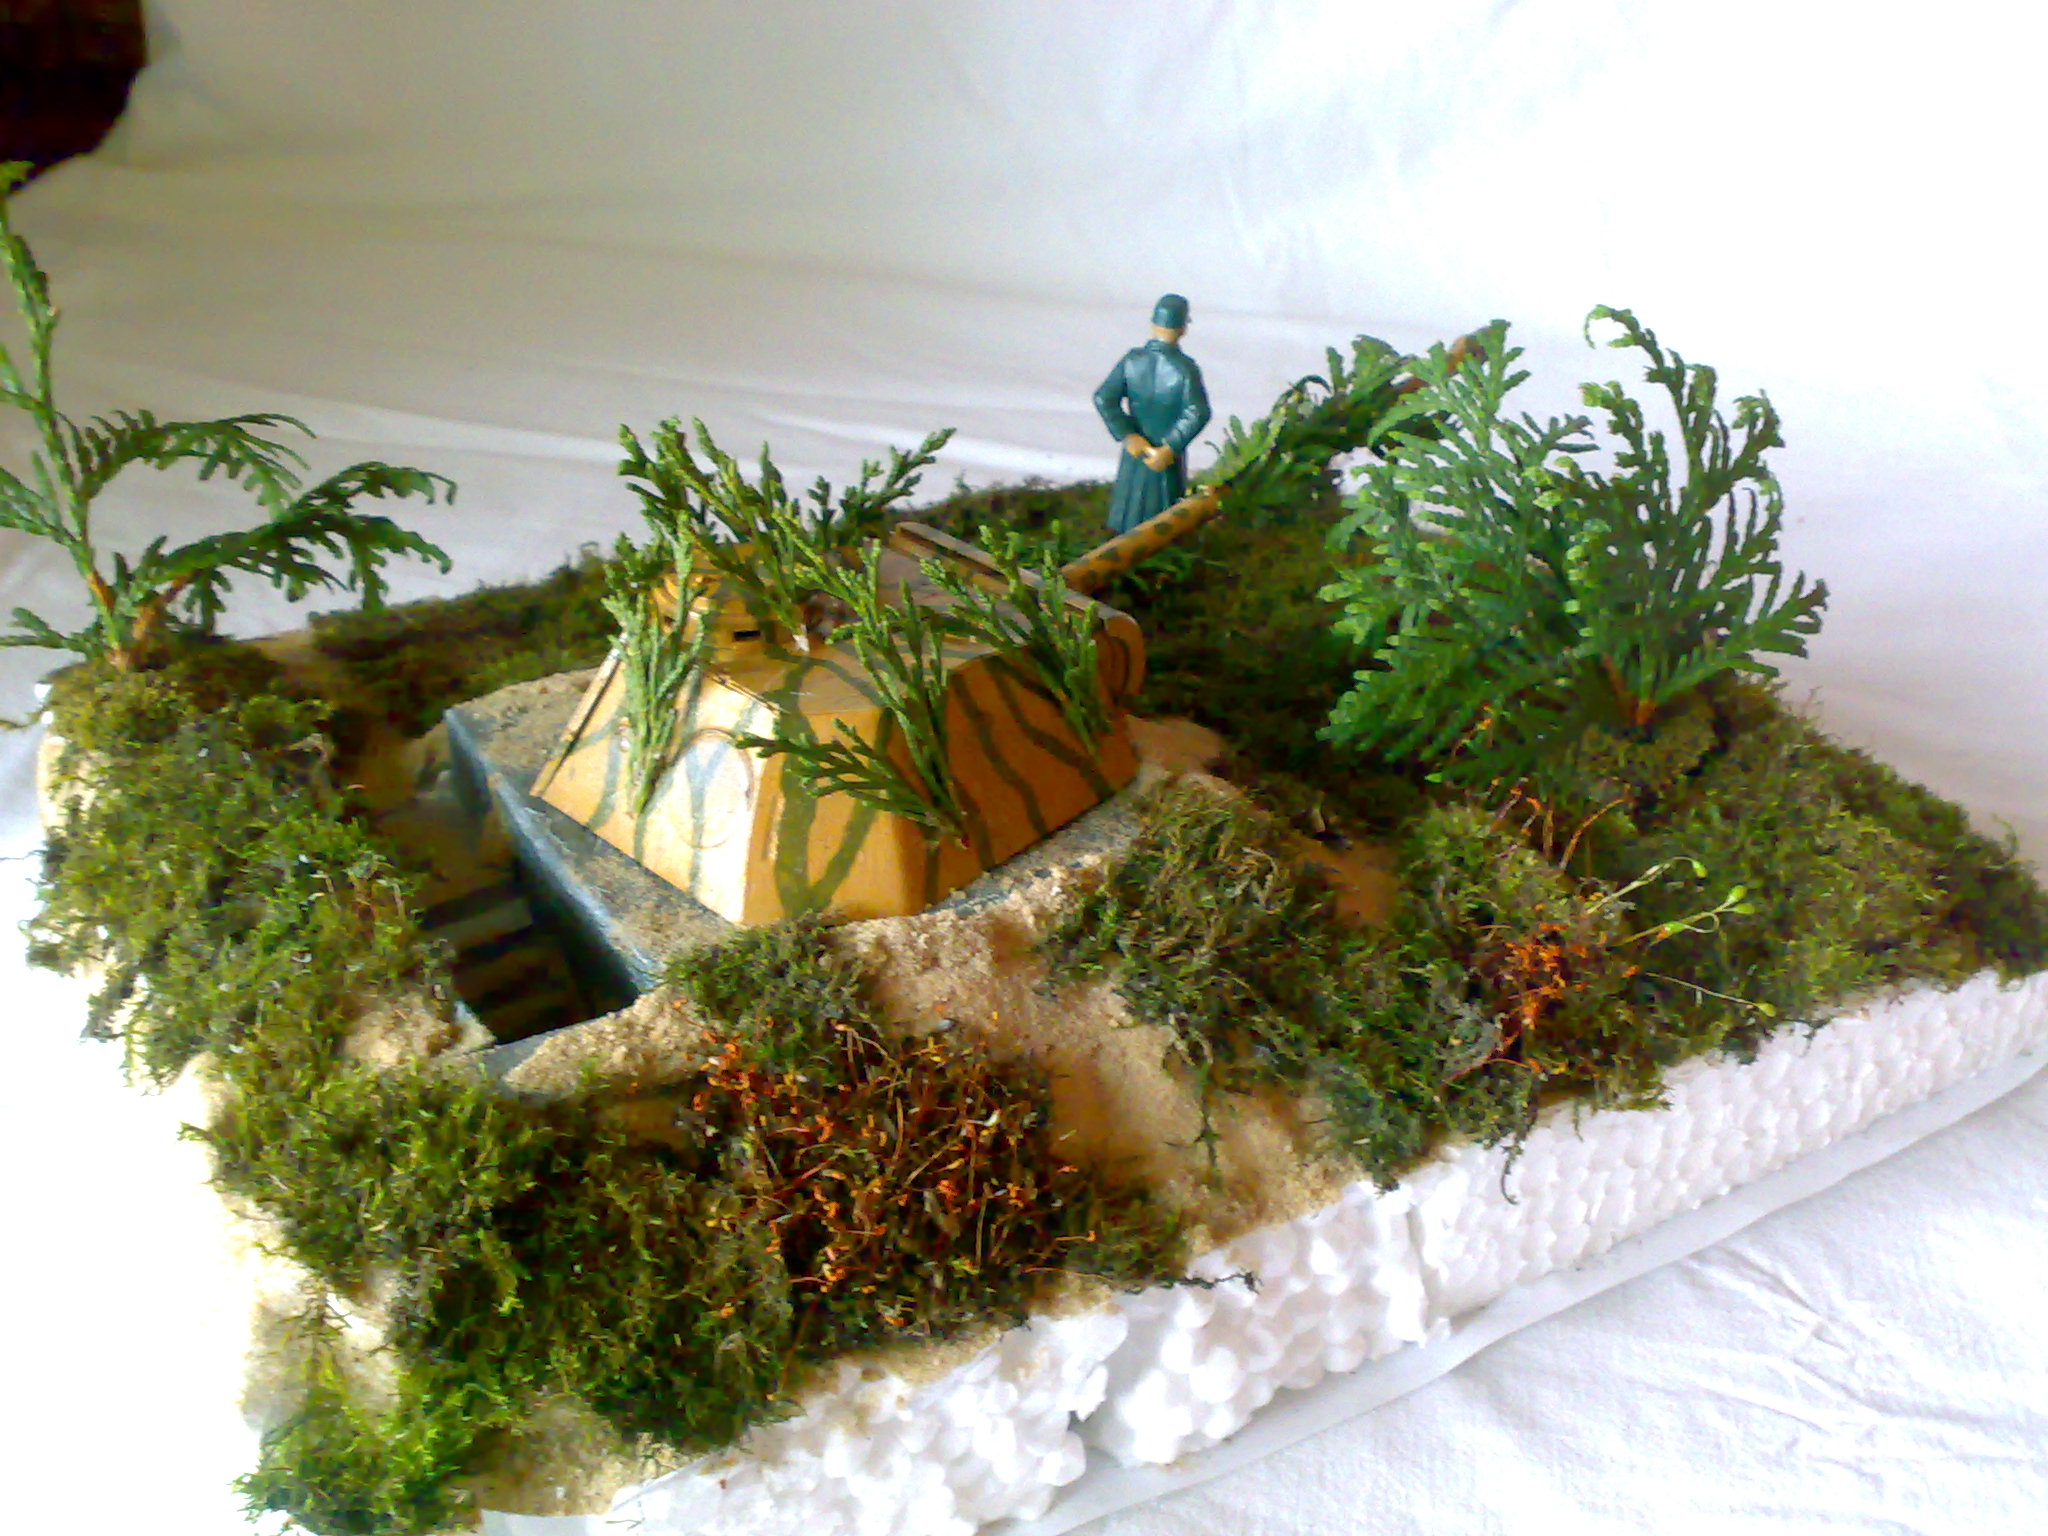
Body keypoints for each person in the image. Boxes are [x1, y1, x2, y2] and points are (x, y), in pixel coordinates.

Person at [1092, 293, 1211, 535]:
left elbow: (1104, 398)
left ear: (1153, 324)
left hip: (1137, 449)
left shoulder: (1131, 361)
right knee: (1166, 510)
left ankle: (1123, 534)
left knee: (1129, 501)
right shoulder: (1186, 369)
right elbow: (1198, 412)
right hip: (1164, 455)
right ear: (1183, 329)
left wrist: (1128, 435)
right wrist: (1170, 447)